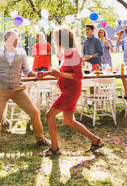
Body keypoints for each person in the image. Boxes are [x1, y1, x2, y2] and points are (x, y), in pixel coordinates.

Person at [37, 27, 104, 156]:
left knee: (49, 115)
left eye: (56, 38)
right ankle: (96, 141)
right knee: (68, 120)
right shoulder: (65, 52)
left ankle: (54, 148)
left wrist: (59, 73)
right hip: (67, 89)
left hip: (71, 91)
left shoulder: (73, 53)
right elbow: (64, 72)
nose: (55, 41)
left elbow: (79, 76)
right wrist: (46, 73)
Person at [0, 29, 51, 150]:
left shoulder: (21, 52)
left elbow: (26, 71)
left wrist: (37, 75)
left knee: (34, 112)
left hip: (17, 88)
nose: (17, 41)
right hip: (1, 88)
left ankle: (40, 138)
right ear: (6, 40)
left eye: (17, 39)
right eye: (14, 39)